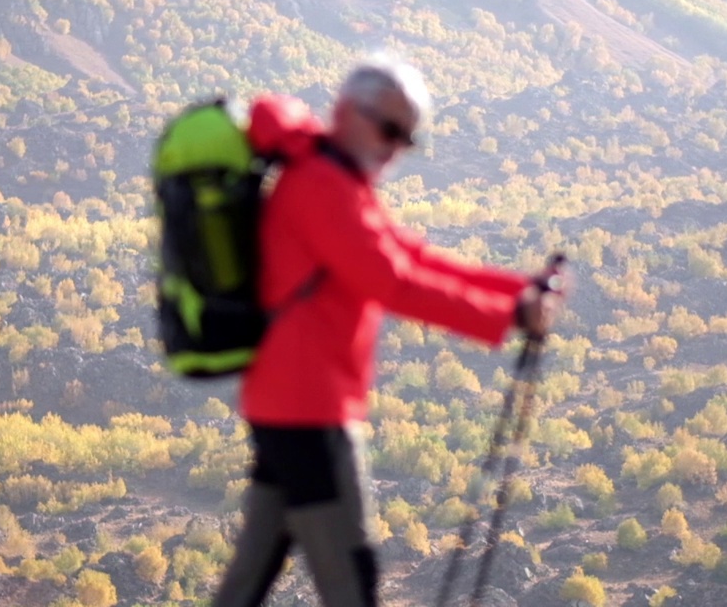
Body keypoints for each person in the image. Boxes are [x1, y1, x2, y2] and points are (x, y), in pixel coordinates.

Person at [212, 53, 563, 607]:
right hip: (311, 410)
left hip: (285, 402)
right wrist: (510, 316)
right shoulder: (323, 187)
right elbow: (393, 283)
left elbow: (410, 255)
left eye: (408, 138)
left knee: (248, 580)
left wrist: (516, 290)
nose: (398, 147)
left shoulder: (333, 178)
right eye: (391, 130)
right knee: (354, 584)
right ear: (349, 111)